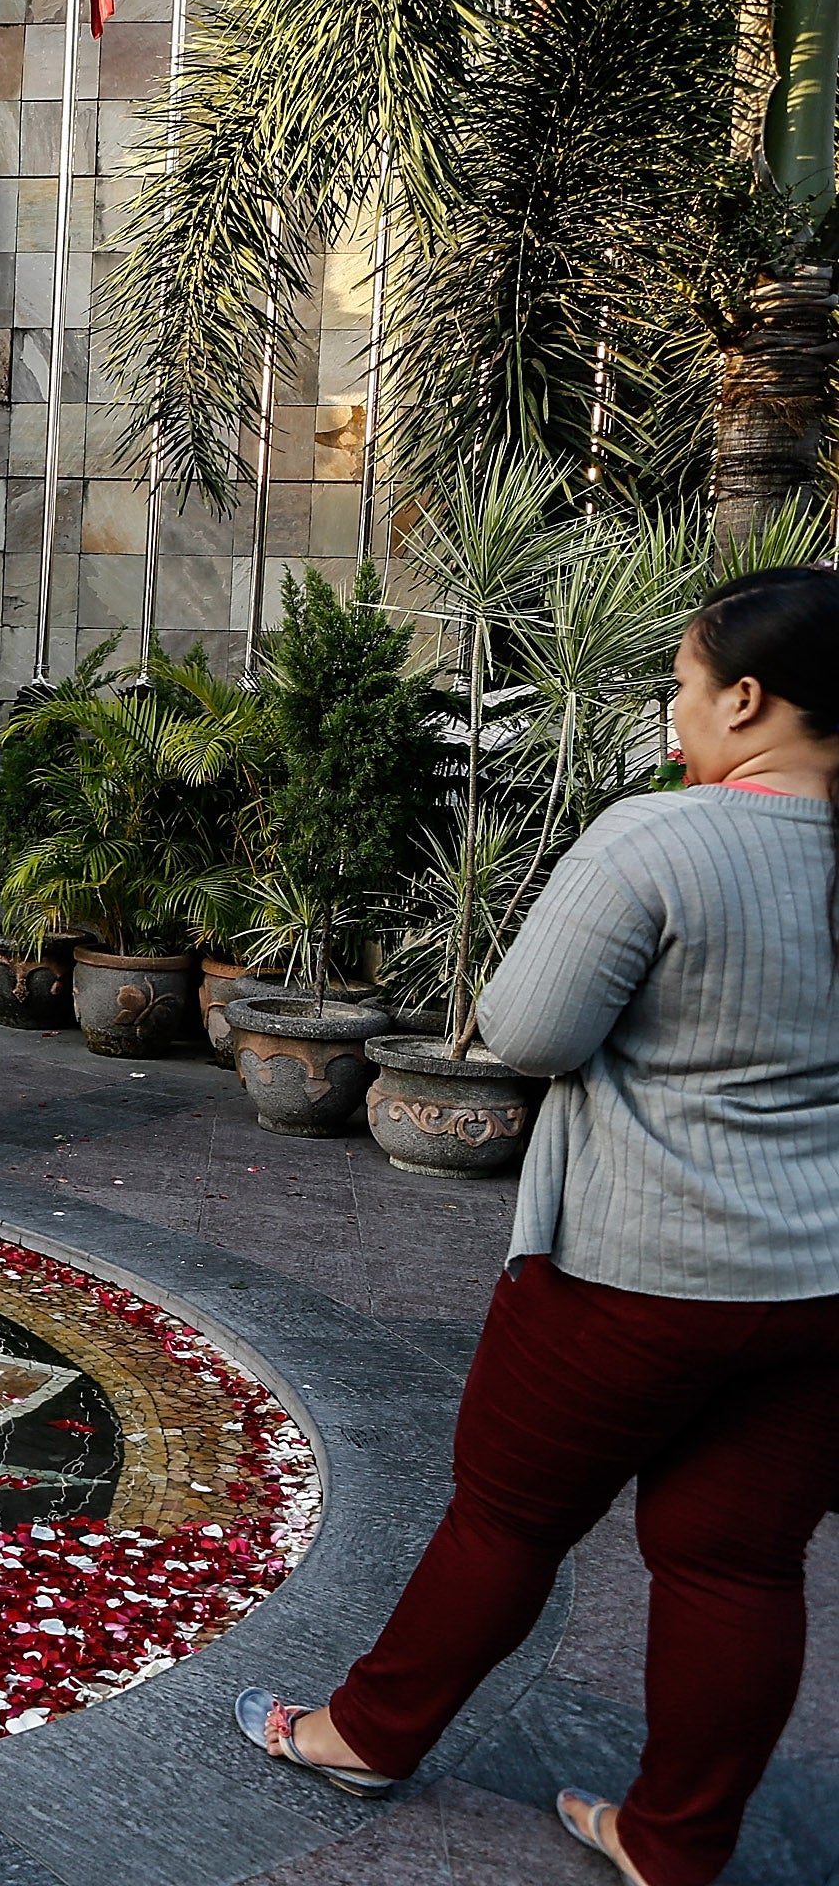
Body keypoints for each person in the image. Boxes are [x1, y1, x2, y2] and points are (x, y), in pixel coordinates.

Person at [241, 566, 839, 1886]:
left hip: (638, 1265)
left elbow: (526, 1030)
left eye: (683, 687)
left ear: (746, 699)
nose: (676, 714)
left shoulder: (663, 839)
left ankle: (363, 1733)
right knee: (738, 1567)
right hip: (822, 1285)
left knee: (507, 1520)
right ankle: (676, 1840)